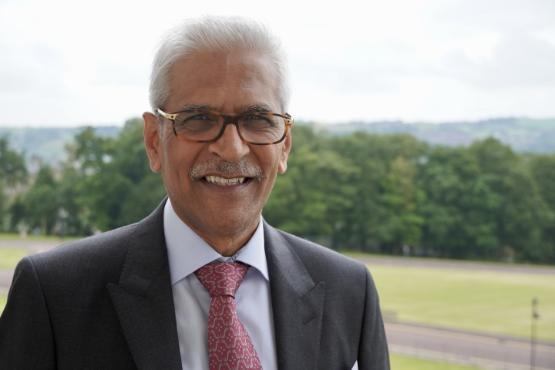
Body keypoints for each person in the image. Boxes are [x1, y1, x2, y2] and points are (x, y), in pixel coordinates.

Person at [0, 16, 389, 370]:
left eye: (257, 119)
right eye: (199, 119)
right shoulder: (55, 295)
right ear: (155, 141)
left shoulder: (349, 292)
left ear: (284, 144)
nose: (232, 149)